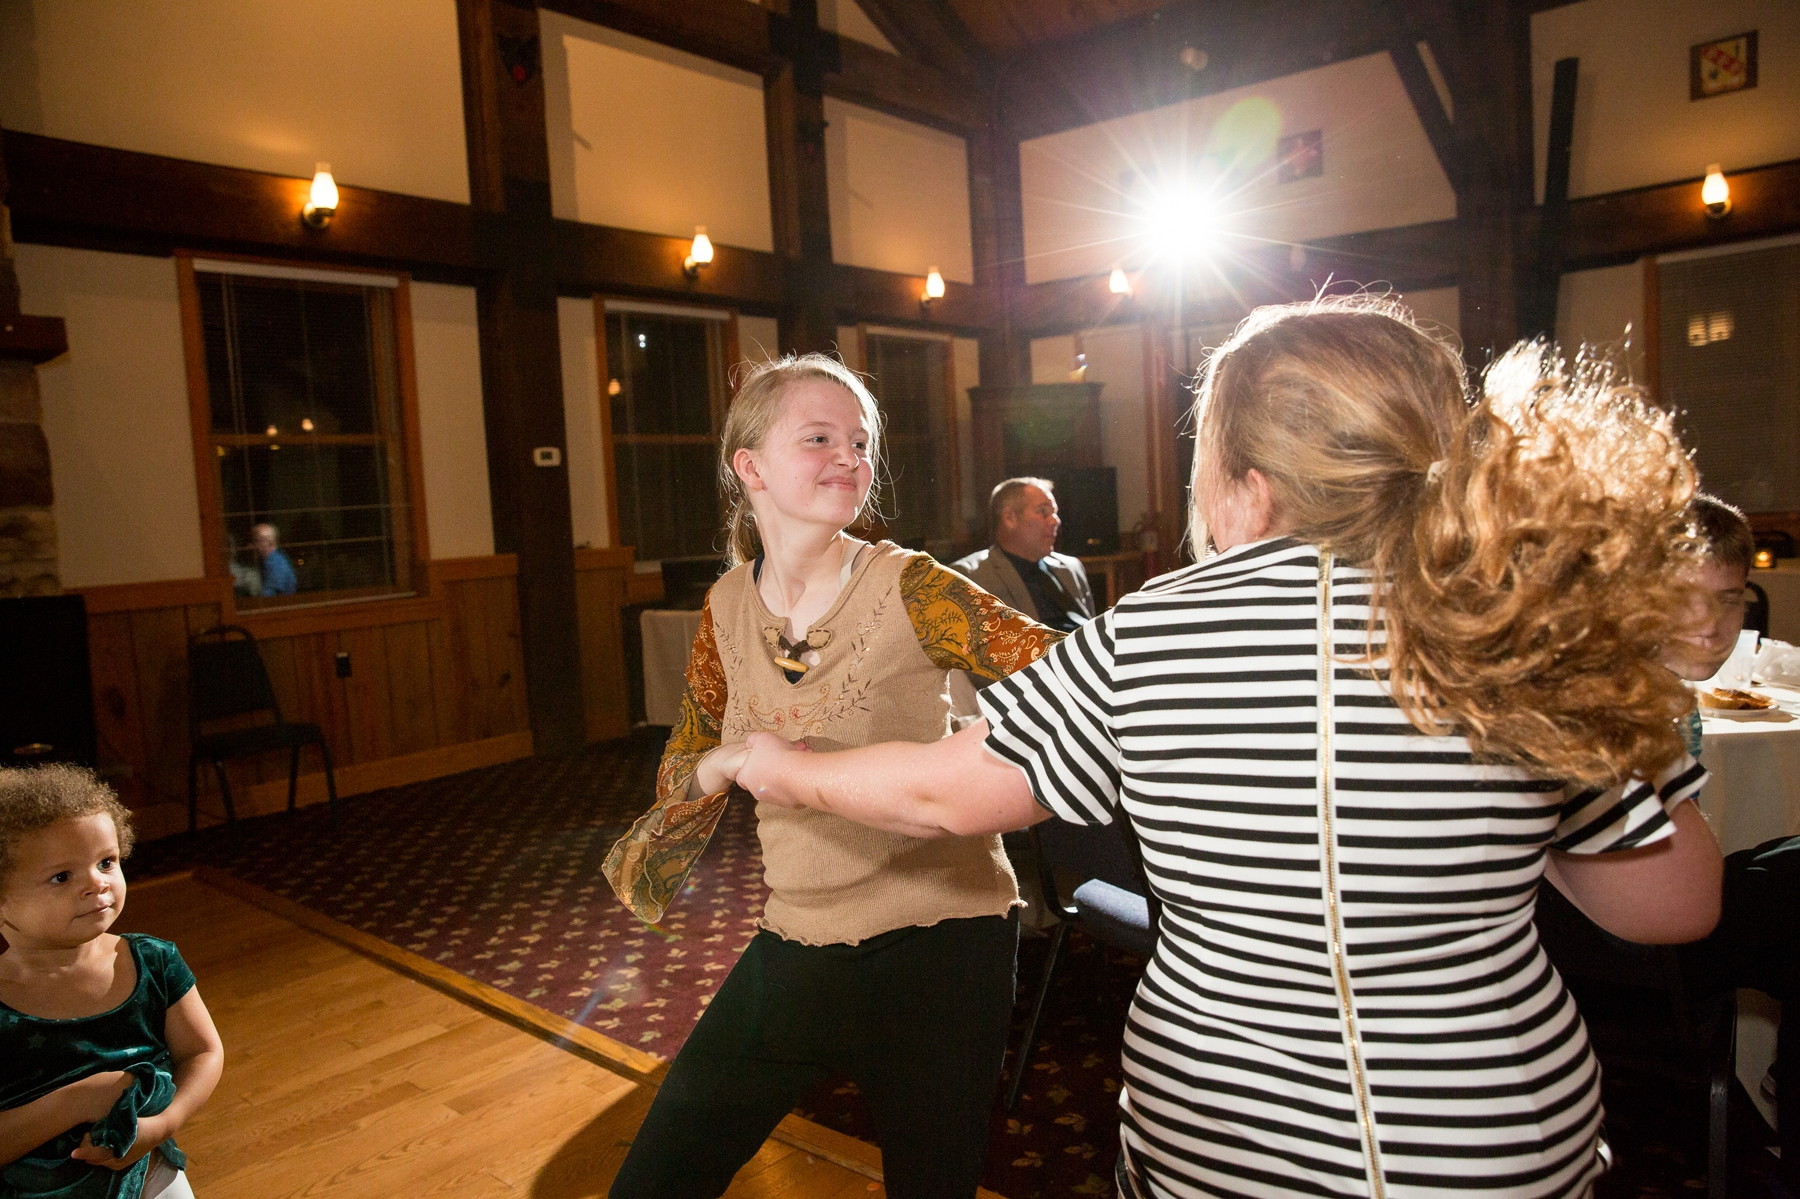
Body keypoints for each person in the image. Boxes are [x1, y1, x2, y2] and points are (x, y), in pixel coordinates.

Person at [737, 297, 1725, 1199]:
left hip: (1223, 1136)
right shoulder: (1525, 624)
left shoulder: (1156, 629)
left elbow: (943, 797)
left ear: (1247, 484)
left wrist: (787, 766)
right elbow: (1671, 902)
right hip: (1497, 1142)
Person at [600, 353, 1062, 1199]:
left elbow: (1066, 682)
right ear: (751, 468)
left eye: (860, 441)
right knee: (655, 1182)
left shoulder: (913, 586)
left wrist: (972, 759)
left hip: (946, 944)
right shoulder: (724, 608)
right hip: (798, 941)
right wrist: (730, 761)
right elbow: (682, 770)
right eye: (819, 438)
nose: (850, 459)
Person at [0, 764, 224, 1199]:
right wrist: (79, 1100)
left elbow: (202, 1050)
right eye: (61, 877)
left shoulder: (152, 962)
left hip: (150, 1175)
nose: (97, 884)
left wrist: (165, 1123)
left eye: (106, 862)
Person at [1663, 494, 1800, 1195]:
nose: (1712, 626)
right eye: (1685, 597)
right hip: (1635, 947)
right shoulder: (1622, 689)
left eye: (1728, 599)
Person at [951, 477, 1095, 631]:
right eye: (1043, 512)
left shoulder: (1071, 567)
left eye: (1055, 513)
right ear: (1010, 518)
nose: (1055, 521)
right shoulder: (970, 575)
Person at [250, 524, 297, 596]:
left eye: (257, 540)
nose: (251, 545)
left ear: (271, 543)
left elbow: (267, 597)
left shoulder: (277, 565)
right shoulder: (266, 562)